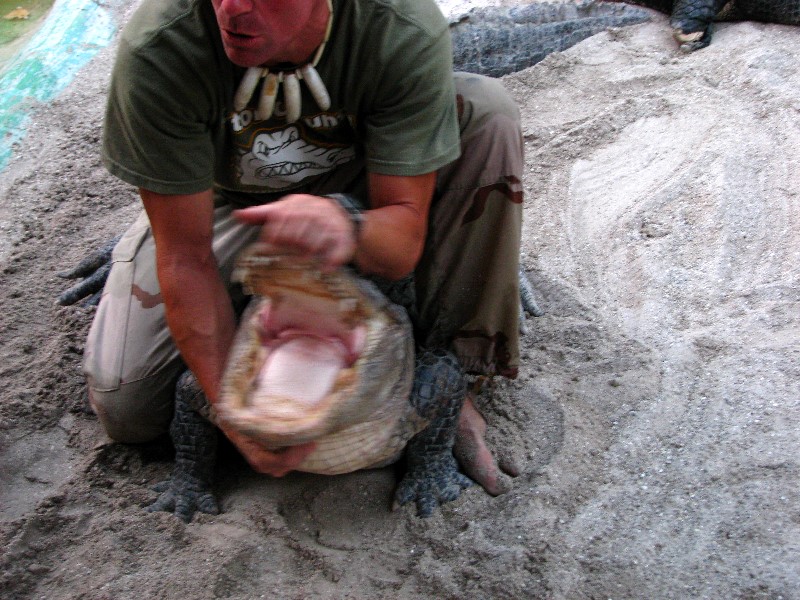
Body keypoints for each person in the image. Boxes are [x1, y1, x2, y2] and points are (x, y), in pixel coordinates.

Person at [84, 0, 524, 498]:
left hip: (372, 188)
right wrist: (235, 414)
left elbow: (399, 245)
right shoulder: (161, 44)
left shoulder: (398, 23)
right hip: (234, 208)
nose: (232, 8)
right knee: (129, 410)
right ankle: (152, 218)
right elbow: (186, 257)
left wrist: (349, 224)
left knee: (489, 113)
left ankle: (458, 373)